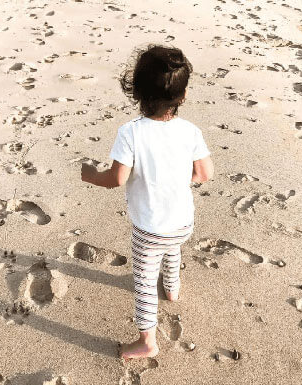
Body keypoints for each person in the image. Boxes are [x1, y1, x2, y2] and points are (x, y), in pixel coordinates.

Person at [80, 44, 214, 359]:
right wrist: (183, 181)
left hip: (149, 229)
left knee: (143, 283)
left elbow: (116, 179)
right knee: (172, 249)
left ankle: (147, 343)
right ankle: (172, 288)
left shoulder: (131, 134)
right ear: (182, 97)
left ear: (137, 92)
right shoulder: (190, 131)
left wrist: (89, 176)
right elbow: (205, 173)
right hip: (183, 222)